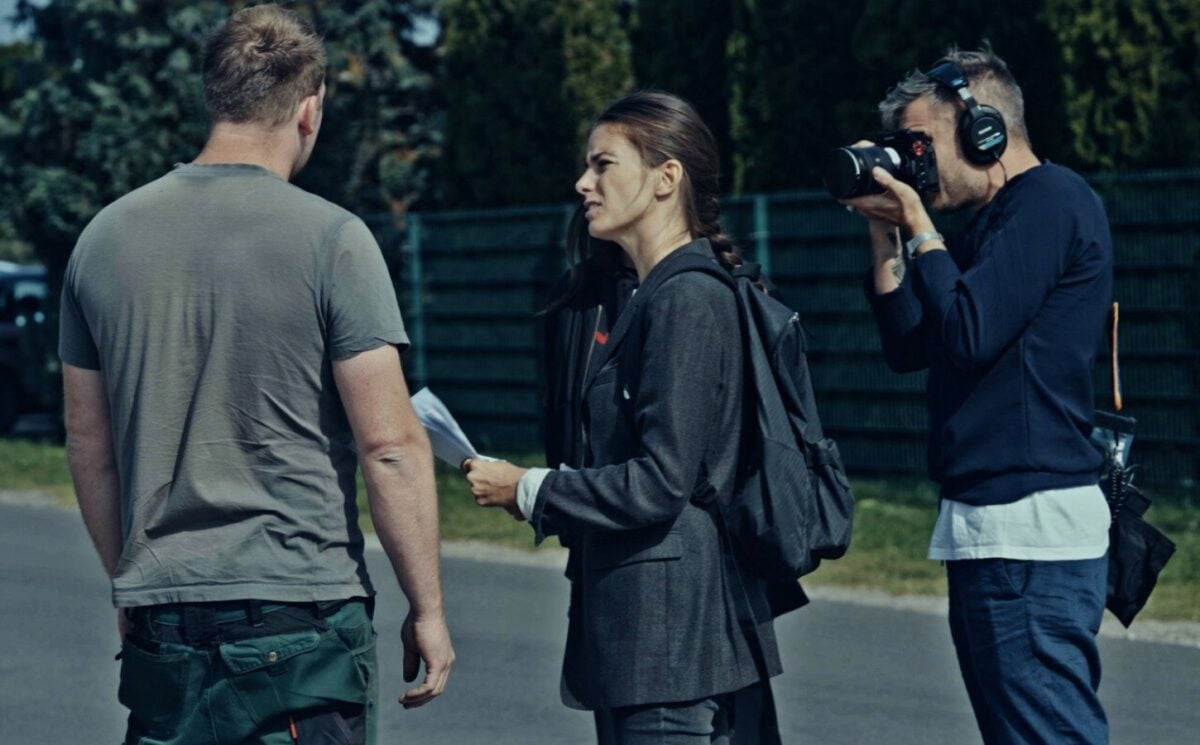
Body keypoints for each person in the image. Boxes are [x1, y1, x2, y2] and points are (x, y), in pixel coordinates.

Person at [58, 6, 453, 743]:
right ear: (309, 111)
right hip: (299, 626)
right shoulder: (335, 240)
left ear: (216, 95)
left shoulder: (100, 241)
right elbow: (390, 445)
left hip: (163, 624)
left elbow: (89, 441)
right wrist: (427, 607)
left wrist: (134, 579)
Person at [465, 91, 804, 745]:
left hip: (669, 648)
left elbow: (659, 481)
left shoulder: (686, 300)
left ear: (665, 178)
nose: (582, 183)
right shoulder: (660, 295)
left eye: (603, 165)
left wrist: (528, 487)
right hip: (648, 645)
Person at [845, 47, 1113, 744]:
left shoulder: (1052, 202)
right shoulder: (991, 224)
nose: (914, 165)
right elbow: (911, 346)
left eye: (920, 145)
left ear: (983, 130)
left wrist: (924, 230)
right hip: (992, 532)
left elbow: (966, 331)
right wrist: (886, 232)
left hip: (1029, 532)